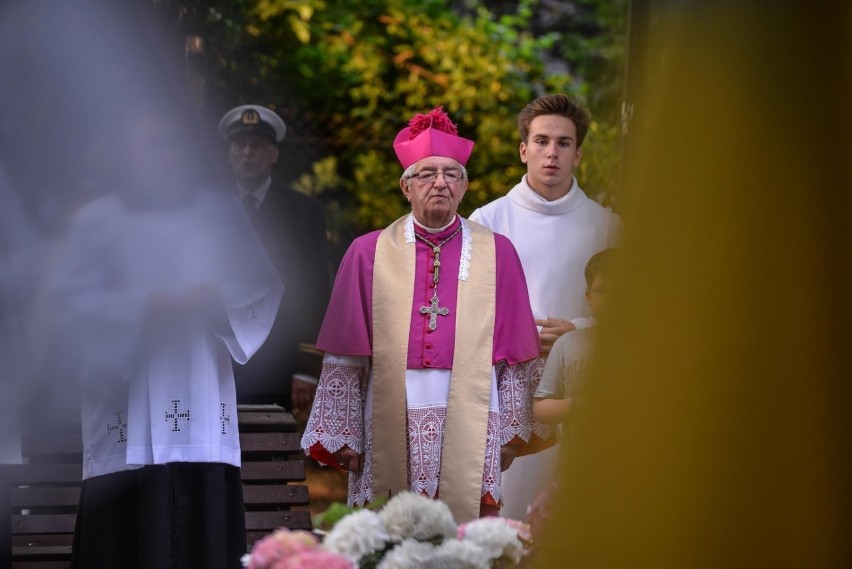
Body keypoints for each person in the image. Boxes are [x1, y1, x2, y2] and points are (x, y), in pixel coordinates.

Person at [53, 109, 283, 568]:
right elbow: (70, 303)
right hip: (125, 398)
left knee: (200, 529)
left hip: (196, 393)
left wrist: (214, 297)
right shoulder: (97, 218)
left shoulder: (220, 212)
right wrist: (142, 306)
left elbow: (262, 284)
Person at [300, 107, 547, 523]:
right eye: (427, 174)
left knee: (462, 534)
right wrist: (346, 432)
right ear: (406, 186)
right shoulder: (367, 252)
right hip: (388, 407)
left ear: (464, 186)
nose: (440, 183)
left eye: (452, 174)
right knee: (390, 530)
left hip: (473, 408)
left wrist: (511, 434)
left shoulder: (497, 252)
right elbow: (346, 351)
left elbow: (515, 354)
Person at [469, 94, 621, 519]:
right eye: (540, 141)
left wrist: (579, 327)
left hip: (579, 385)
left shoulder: (607, 225)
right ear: (523, 150)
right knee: (508, 507)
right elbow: (468, 306)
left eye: (563, 143)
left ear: (579, 154)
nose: (551, 152)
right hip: (505, 381)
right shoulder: (488, 220)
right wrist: (515, 331)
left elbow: (631, 308)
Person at [218, 104, 330, 410]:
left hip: (279, 357)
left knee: (272, 450)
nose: (247, 153)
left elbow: (316, 290)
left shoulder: (303, 212)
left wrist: (305, 368)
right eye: (239, 145)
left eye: (257, 146)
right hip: (219, 354)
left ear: (274, 154)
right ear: (229, 154)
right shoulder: (209, 210)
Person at [533, 249, 614, 426]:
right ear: (589, 297)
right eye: (603, 291)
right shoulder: (567, 344)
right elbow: (540, 408)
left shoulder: (651, 346)